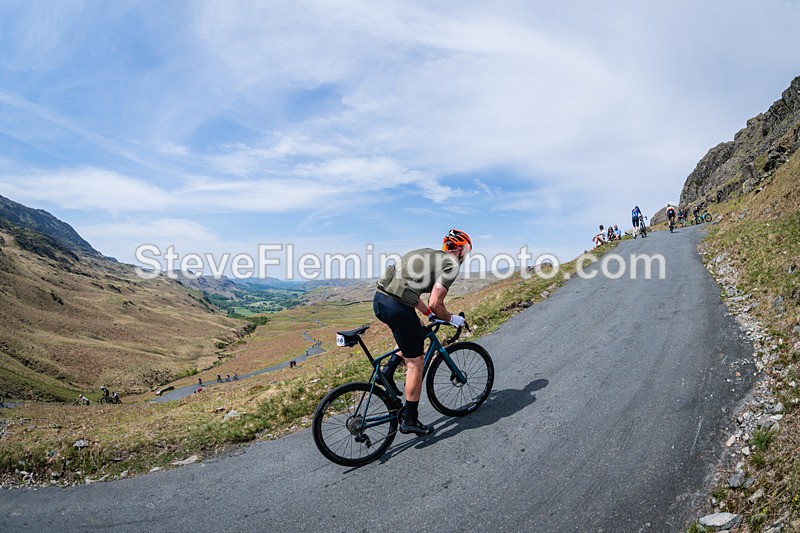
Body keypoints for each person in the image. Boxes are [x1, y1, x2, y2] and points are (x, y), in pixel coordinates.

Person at [373, 229, 471, 436]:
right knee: (416, 363)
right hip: (398, 306)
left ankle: (388, 373)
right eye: (467, 251)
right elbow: (436, 302)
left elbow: (410, 290)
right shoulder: (451, 266)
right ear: (461, 250)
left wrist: (428, 314)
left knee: (415, 331)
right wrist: (452, 318)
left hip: (381, 300)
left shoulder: (427, 255)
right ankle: (410, 420)